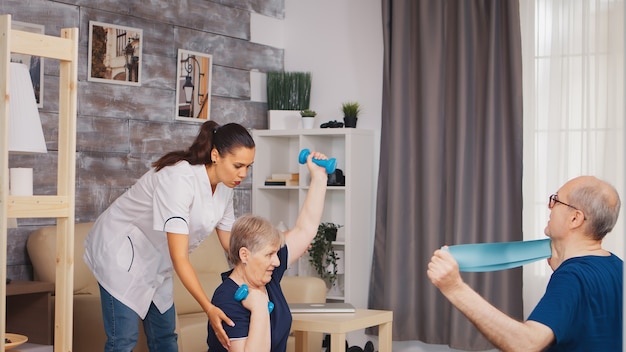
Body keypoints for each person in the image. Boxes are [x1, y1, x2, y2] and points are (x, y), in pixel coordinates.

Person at [84, 121, 254, 351]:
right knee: (123, 341)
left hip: (156, 260)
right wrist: (209, 308)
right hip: (121, 252)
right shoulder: (179, 178)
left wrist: (263, 261)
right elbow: (180, 258)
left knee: (165, 337)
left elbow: (232, 245)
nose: (243, 174)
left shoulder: (225, 187)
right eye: (238, 165)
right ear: (215, 155)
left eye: (248, 167)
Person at [427, 175, 622, 351]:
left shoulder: (572, 277)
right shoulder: (618, 268)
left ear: (574, 218)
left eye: (556, 200)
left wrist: (455, 288)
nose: (550, 207)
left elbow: (526, 345)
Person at [206, 151, 329, 351]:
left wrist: (319, 177)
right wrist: (259, 308)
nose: (278, 262)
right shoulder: (226, 299)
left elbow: (305, 229)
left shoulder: (266, 276)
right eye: (269, 255)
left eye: (275, 253)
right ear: (245, 255)